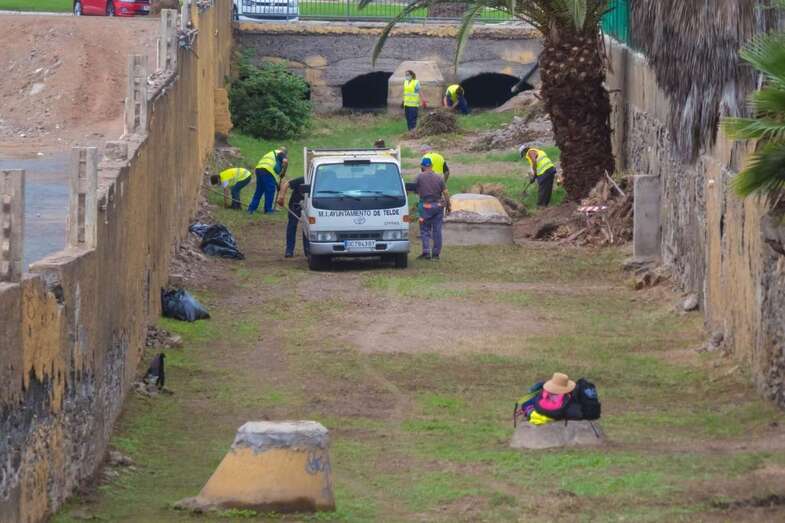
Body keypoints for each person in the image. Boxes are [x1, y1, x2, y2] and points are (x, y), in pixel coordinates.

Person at [415, 157, 451, 260]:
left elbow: (413, 189)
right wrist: (448, 205)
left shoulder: (419, 177)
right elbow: (446, 193)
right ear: (431, 166)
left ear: (422, 166)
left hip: (425, 207)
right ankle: (435, 255)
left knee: (425, 230)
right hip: (438, 206)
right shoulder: (439, 178)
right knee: (437, 230)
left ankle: (426, 252)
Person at [276, 174, 309, 258]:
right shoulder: (304, 179)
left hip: (308, 206)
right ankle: (289, 250)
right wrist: (281, 197)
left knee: (307, 227)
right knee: (292, 225)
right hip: (295, 204)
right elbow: (287, 184)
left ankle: (308, 251)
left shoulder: (319, 182)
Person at [248, 147, 288, 214]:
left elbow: (273, 173)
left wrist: (276, 184)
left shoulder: (271, 153)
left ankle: (251, 209)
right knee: (270, 191)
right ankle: (268, 210)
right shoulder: (281, 153)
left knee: (259, 190)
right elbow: (285, 161)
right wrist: (284, 172)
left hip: (259, 169)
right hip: (268, 171)